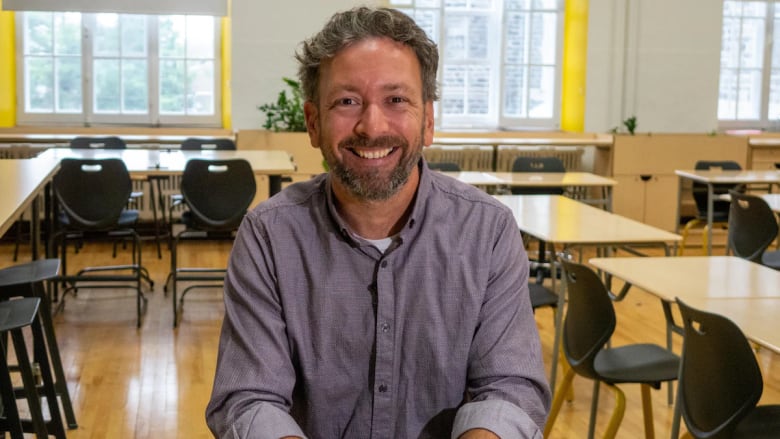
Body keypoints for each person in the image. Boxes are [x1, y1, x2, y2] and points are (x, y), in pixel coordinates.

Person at [206, 6, 551, 439]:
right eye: (347, 101)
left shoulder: (489, 232)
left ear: (428, 120)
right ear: (313, 124)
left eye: (396, 100)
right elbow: (250, 399)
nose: (372, 126)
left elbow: (509, 390)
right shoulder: (268, 236)